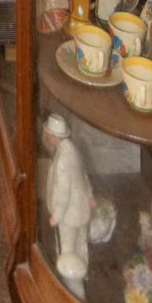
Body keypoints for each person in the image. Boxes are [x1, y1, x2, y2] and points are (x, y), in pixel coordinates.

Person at [43, 112, 93, 284]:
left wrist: (57, 216)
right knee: (81, 242)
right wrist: (90, 196)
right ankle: (83, 272)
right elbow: (83, 175)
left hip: (68, 215)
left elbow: (63, 192)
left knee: (67, 247)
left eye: (48, 135)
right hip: (81, 208)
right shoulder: (72, 149)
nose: (47, 138)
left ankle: (69, 282)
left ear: (53, 136)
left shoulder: (63, 160)